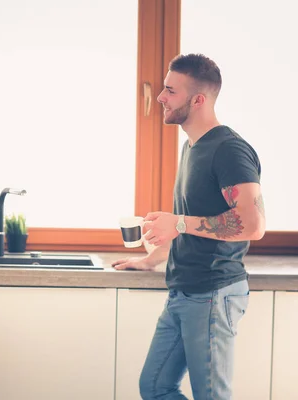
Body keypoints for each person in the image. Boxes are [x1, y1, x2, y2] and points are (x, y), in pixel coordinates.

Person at [112, 54, 266, 399]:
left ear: (198, 100)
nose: (161, 98)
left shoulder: (228, 149)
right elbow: (192, 222)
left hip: (213, 292)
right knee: (155, 387)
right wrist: (152, 258)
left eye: (170, 90)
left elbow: (253, 224)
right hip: (183, 290)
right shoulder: (191, 147)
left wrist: (178, 223)